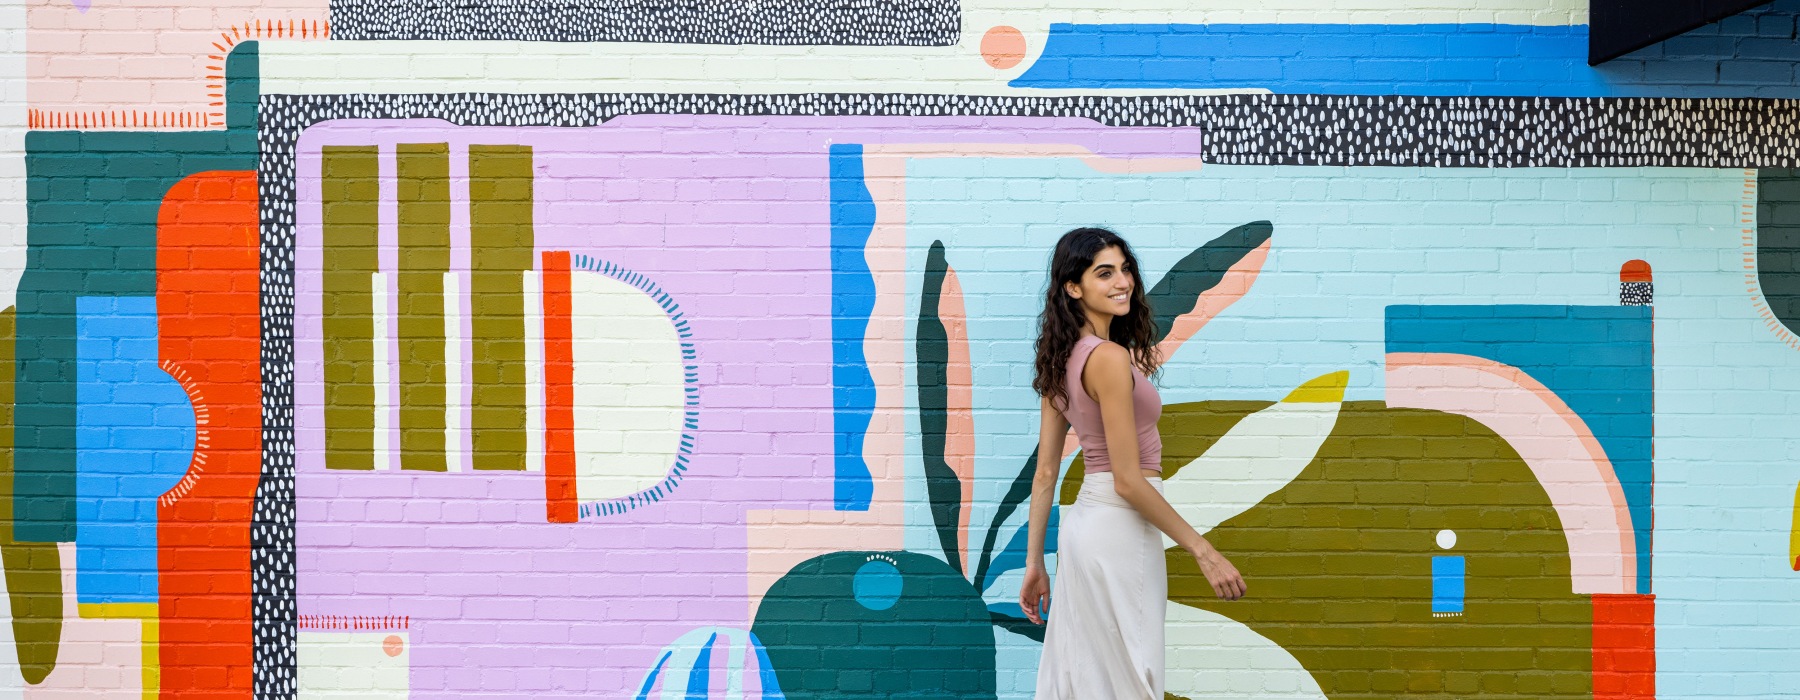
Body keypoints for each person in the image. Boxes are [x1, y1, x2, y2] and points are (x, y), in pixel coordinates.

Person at [1019, 227, 1247, 699]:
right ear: (1073, 287)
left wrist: (1034, 563)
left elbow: (1045, 476)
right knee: (1131, 676)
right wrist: (1204, 551)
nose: (1122, 281)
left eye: (1125, 269)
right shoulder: (1106, 358)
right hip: (1121, 526)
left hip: (1086, 529)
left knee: (1090, 676)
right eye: (1104, 273)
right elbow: (1127, 480)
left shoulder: (1059, 360)